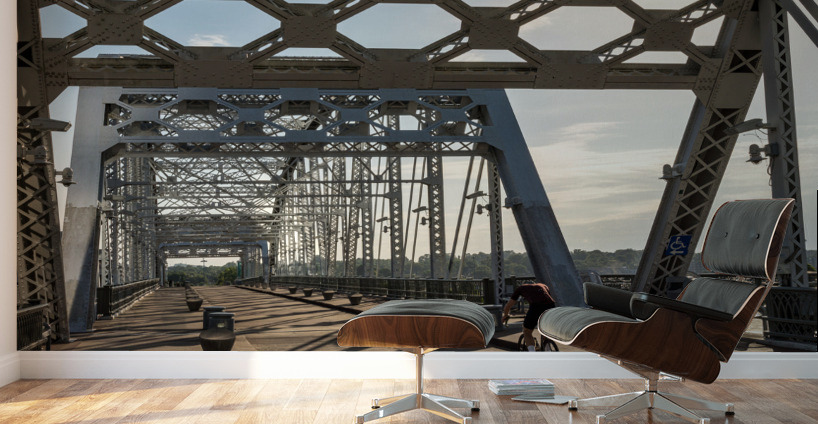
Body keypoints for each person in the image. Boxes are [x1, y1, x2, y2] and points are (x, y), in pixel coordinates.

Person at [502, 283, 556, 352]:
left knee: (527, 332)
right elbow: (548, 298)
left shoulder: (520, 288)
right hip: (551, 306)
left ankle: (532, 353)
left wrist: (505, 315)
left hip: (536, 307)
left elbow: (508, 305)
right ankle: (548, 350)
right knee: (545, 330)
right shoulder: (543, 285)